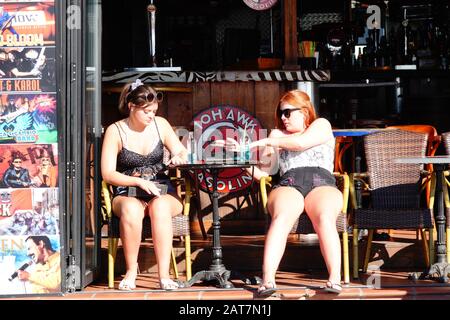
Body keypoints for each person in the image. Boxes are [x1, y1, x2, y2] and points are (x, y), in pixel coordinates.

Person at [216, 90, 343, 295]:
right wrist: (238, 159)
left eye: (287, 113)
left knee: (324, 216)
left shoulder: (321, 125)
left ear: (304, 111)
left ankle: (334, 279)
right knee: (281, 216)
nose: (282, 118)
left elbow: (301, 143)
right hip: (289, 182)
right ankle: (268, 280)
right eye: (280, 113)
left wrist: (259, 142)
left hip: (321, 181)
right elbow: (264, 174)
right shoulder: (276, 136)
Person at [101, 79, 188, 291]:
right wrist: (137, 180)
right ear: (131, 106)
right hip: (128, 190)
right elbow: (108, 173)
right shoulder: (116, 130)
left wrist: (179, 156)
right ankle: (131, 270)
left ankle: (164, 276)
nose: (151, 116)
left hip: (162, 189)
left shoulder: (161, 124)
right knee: (131, 208)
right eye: (147, 111)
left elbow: (181, 150)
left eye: (154, 111)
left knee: (160, 206)